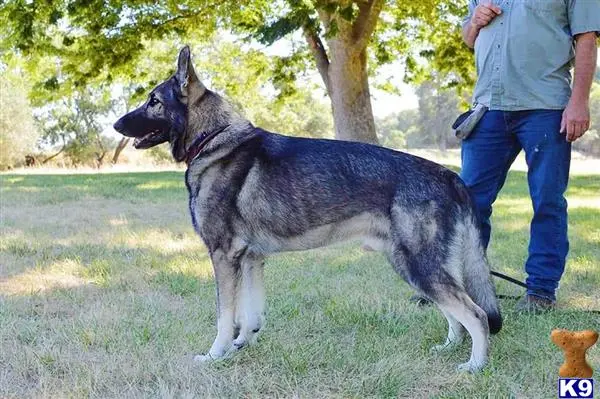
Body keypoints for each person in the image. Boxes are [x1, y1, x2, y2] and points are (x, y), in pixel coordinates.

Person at [460, 0, 599, 311]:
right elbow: (469, 39)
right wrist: (475, 22)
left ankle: (540, 292)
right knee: (468, 202)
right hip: (488, 108)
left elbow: (587, 40)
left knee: (547, 201)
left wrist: (579, 103)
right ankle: (463, 287)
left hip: (545, 107)